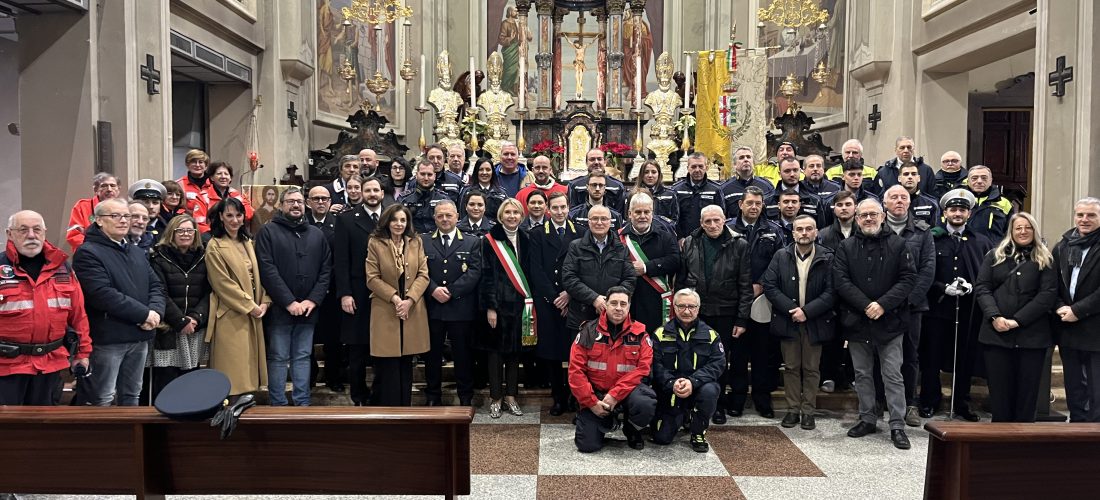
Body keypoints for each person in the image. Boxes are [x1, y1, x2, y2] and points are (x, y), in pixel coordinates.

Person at [833, 199, 917, 450]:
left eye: (873, 214)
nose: (868, 219)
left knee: (892, 374)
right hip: (857, 321)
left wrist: (882, 304)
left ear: (883, 216)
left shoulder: (899, 244)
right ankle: (867, 417)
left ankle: (897, 424)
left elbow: (908, 278)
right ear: (856, 219)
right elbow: (840, 280)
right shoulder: (846, 247)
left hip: (891, 321)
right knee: (862, 374)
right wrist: (865, 305)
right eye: (863, 215)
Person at [73, 198, 167, 406]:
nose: (124, 221)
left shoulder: (134, 250)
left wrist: (156, 312)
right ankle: (106, 439)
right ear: (98, 220)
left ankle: (131, 438)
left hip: (140, 335)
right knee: (102, 397)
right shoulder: (88, 252)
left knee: (132, 394)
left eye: (126, 216)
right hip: (109, 339)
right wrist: (144, 315)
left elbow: (156, 286)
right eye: (115, 216)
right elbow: (102, 294)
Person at [0, 210, 91, 405]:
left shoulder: (63, 268)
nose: (31, 235)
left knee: (45, 429)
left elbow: (79, 316)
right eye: (23, 230)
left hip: (50, 365)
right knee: (8, 431)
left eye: (37, 229)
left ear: (44, 232)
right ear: (9, 234)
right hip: (6, 367)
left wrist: (82, 354)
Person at [975, 212, 1058, 422]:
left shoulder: (1045, 259)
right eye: (1018, 228)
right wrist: (995, 316)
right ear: (1011, 231)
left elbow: (1047, 295)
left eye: (1027, 227)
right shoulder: (994, 255)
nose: (1023, 232)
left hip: (1032, 336)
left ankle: (1023, 443)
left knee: (1027, 395)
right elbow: (982, 288)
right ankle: (1000, 440)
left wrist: (1017, 320)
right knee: (1000, 393)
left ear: (1034, 231)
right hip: (997, 334)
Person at [920, 189, 994, 420]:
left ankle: (961, 401)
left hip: (968, 310)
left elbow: (986, 273)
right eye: (953, 209)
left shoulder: (980, 241)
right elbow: (923, 273)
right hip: (937, 309)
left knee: (964, 357)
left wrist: (972, 285)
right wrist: (943, 287)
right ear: (944, 213)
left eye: (962, 210)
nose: (957, 213)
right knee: (932, 357)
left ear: (969, 213)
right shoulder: (932, 238)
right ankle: (930, 400)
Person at [255, 186, 332, 407]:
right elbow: (267, 270)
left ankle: (302, 402)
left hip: (308, 309)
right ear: (281, 206)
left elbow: (326, 270)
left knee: (303, 356)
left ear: (305, 204)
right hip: (280, 309)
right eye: (290, 201)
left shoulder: (316, 234)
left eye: (299, 201)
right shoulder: (268, 232)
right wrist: (288, 301)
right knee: (278, 357)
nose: (296, 205)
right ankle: (278, 403)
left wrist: (312, 300)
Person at [678, 205, 755, 419]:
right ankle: (692, 403)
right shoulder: (690, 242)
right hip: (696, 312)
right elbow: (683, 280)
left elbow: (745, 285)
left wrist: (742, 318)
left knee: (719, 359)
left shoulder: (740, 245)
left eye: (716, 220)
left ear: (725, 220)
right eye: (707, 221)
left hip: (726, 312)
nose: (712, 225)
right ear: (701, 223)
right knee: (694, 358)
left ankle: (718, 404)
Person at [762, 215, 835, 430]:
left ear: (816, 232)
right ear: (792, 233)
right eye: (799, 229)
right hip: (788, 319)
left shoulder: (827, 257)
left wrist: (807, 312)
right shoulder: (780, 256)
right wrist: (792, 310)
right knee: (792, 367)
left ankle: (808, 411)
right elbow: (770, 286)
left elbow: (832, 292)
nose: (804, 233)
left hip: (815, 320)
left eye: (808, 229)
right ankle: (793, 410)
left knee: (812, 368)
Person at [568, 286, 656, 452]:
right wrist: (592, 403)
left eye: (623, 304)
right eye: (613, 303)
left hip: (627, 394)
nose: (618, 308)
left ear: (629, 306)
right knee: (587, 446)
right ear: (605, 305)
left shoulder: (641, 334)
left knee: (645, 402)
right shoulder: (588, 332)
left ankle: (631, 429)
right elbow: (575, 372)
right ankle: (604, 421)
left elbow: (643, 369)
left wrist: (615, 395)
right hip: (596, 395)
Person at [726, 186, 786, 420]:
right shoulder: (728, 228)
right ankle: (737, 398)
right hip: (734, 299)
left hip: (764, 299)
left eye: (758, 203)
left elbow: (781, 261)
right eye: (749, 202)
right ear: (740, 204)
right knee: (738, 354)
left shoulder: (773, 230)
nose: (753, 207)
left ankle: (763, 399)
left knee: (763, 354)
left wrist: (761, 283)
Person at [880, 185, 936, 426]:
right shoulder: (876, 230)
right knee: (879, 354)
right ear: (885, 203)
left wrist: (906, 300)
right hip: (882, 306)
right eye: (894, 197)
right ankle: (881, 401)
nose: (899, 201)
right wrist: (885, 303)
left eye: (904, 197)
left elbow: (927, 270)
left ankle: (910, 403)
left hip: (912, 307)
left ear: (910, 202)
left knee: (911, 356)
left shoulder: (922, 232)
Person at [204, 197, 270, 398]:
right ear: (221, 218)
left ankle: (246, 408)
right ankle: (229, 410)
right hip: (231, 313)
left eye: (238, 215)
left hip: (254, 310)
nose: (234, 220)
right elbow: (222, 283)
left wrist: (265, 300)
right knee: (232, 368)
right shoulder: (215, 245)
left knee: (249, 367)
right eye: (229, 215)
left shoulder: (248, 242)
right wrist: (250, 305)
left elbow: (261, 274)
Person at [367, 204, 430, 406]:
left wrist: (410, 300)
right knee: (388, 366)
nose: (399, 224)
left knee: (406, 364)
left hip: (412, 310)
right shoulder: (375, 243)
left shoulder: (415, 242)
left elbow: (423, 274)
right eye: (395, 220)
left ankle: (406, 411)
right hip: (386, 309)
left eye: (403, 220)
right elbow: (372, 278)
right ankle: (389, 413)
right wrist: (395, 299)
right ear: (387, 221)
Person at [480, 199, 537, 417]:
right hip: (498, 307)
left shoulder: (527, 238)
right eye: (508, 212)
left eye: (516, 213)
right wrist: (491, 307)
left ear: (521, 216)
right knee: (495, 354)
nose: (512, 216)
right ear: (501, 216)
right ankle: (496, 397)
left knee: (515, 353)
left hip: (520, 306)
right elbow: (486, 276)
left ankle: (511, 396)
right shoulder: (489, 241)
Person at [422, 200, 482, 406]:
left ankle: (465, 396)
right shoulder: (423, 241)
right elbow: (418, 270)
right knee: (432, 356)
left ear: (457, 216)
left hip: (461, 308)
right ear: (434, 218)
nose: (445, 219)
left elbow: (475, 272)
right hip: (433, 308)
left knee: (463, 355)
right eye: (440, 216)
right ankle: (432, 395)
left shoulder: (471, 241)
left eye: (449, 215)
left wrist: (452, 291)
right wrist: (433, 289)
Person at [333, 176, 387, 405]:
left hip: (386, 294)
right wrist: (345, 293)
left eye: (376, 190)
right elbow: (341, 261)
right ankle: (358, 394)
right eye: (368, 190)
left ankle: (380, 392)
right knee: (357, 349)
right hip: (357, 293)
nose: (372, 194)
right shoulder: (346, 220)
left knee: (383, 348)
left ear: (382, 193)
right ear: (361, 193)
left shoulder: (392, 218)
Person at [650, 288, 724, 451]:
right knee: (661, 438)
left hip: (698, 388)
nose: (686, 311)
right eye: (682, 306)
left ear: (698, 308)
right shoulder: (660, 333)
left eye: (691, 306)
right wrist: (671, 382)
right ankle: (683, 416)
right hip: (670, 391)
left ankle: (698, 431)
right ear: (674, 308)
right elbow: (655, 365)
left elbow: (717, 364)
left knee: (710, 390)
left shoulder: (711, 335)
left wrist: (693, 381)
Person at [529, 192, 582, 415]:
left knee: (574, 353)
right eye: (555, 208)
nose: (560, 212)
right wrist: (555, 298)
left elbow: (583, 268)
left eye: (563, 207)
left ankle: (573, 395)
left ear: (569, 208)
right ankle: (557, 397)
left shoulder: (580, 232)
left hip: (574, 301)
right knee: (551, 352)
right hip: (549, 302)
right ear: (548, 210)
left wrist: (569, 295)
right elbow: (536, 270)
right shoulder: (538, 234)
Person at [148, 215, 210, 400]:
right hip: (168, 328)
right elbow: (159, 293)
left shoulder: (204, 256)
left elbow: (210, 292)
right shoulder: (158, 257)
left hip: (194, 328)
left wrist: (196, 318)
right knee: (167, 381)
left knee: (191, 379)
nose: (185, 234)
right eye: (180, 230)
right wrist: (180, 321)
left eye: (190, 230)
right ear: (171, 233)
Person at [1052, 197, 1100, 422]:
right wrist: (1060, 306)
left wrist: (1078, 310)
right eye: (1080, 215)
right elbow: (1051, 283)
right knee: (1074, 386)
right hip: (1067, 327)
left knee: (1096, 388)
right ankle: (1077, 429)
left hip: (1094, 326)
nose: (1084, 219)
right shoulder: (1063, 245)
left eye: (1091, 215)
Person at [619, 193, 680, 335]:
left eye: (647, 212)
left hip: (655, 301)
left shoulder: (665, 236)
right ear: (629, 213)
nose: (642, 216)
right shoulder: (618, 237)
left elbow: (675, 260)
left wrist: (647, 267)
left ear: (652, 213)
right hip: (629, 299)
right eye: (638, 212)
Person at [817, 190, 857, 393]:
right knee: (831, 339)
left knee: (857, 338)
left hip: (858, 295)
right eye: (839, 205)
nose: (844, 208)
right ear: (834, 209)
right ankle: (828, 376)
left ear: (855, 207)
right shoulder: (823, 235)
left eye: (848, 204)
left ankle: (851, 376)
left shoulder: (864, 231)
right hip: (832, 295)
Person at [306, 185, 344, 392]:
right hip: (306, 292)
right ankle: (309, 377)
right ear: (308, 202)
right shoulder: (301, 224)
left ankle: (334, 378)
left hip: (332, 289)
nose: (321, 202)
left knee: (333, 338)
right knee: (308, 338)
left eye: (324, 198)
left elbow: (342, 257)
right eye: (316, 198)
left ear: (330, 202)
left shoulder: (339, 224)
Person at [193, 161, 254, 233]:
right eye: (219, 174)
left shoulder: (236, 194)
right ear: (212, 177)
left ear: (230, 178)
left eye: (226, 174)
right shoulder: (202, 197)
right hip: (212, 236)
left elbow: (249, 212)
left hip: (234, 234)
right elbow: (199, 223)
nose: (223, 177)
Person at [674, 153, 725, 239]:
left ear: (706, 167)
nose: (697, 170)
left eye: (701, 166)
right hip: (684, 239)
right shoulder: (677, 189)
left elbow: (721, 216)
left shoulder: (715, 190)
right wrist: (679, 238)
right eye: (693, 167)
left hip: (708, 239)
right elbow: (674, 218)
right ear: (687, 168)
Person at [66, 172, 121, 252]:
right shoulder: (82, 206)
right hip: (89, 254)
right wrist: (97, 250)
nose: (109, 189)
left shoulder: (124, 209)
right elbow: (74, 235)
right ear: (96, 190)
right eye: (104, 186)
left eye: (112, 186)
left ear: (118, 190)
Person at [721, 147, 776, 221]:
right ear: (734, 165)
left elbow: (773, 215)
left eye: (748, 157)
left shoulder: (766, 186)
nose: (746, 160)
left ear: (753, 163)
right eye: (741, 158)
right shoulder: (725, 188)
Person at [399, 160, 452, 234]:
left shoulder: (444, 199)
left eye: (429, 174)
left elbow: (450, 224)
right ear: (416, 175)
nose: (426, 178)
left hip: (437, 241)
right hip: (412, 241)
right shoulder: (404, 199)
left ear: (434, 176)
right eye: (422, 174)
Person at [965, 165, 1012, 241]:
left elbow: (1010, 232)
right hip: (966, 249)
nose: (979, 181)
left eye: (984, 178)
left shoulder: (1004, 203)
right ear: (968, 181)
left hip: (994, 250)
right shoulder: (960, 200)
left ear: (990, 181)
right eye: (974, 178)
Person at [629, 160, 680, 225]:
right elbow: (628, 217)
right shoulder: (633, 194)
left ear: (659, 174)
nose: (650, 175)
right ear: (641, 175)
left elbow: (675, 219)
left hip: (663, 232)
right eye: (646, 172)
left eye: (653, 172)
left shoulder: (670, 194)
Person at [459, 157, 509, 223]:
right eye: (481, 169)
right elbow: (462, 215)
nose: (484, 172)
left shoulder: (501, 193)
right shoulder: (467, 191)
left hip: (494, 231)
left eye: (488, 170)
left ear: (492, 172)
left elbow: (505, 216)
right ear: (476, 171)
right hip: (471, 231)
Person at [178, 149, 212, 215]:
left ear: (206, 166)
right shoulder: (179, 184)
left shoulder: (214, 184)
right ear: (187, 165)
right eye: (193, 162)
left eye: (201, 162)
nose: (197, 165)